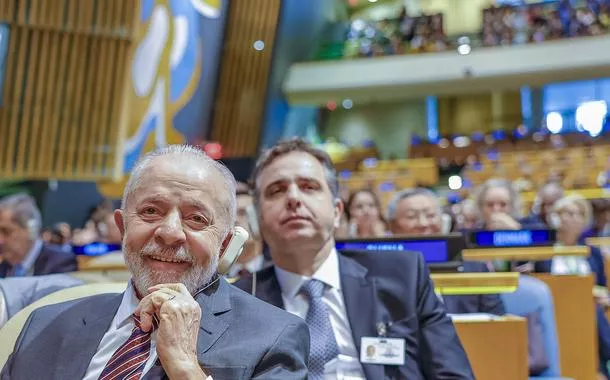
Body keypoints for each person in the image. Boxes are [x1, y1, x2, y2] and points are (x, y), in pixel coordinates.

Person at [2, 145, 309, 379]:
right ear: (123, 228)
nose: (170, 233)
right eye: (150, 211)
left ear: (225, 243)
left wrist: (187, 369)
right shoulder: (44, 323)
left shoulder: (274, 338)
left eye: (197, 218)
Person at [235, 138, 474, 380]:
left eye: (309, 187)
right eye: (277, 190)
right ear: (257, 220)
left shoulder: (403, 276)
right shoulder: (238, 302)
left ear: (337, 212)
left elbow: (453, 375)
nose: (293, 198)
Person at [386, 188, 505, 316]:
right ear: (393, 226)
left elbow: (498, 322)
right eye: (411, 216)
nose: (423, 223)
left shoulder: (476, 269)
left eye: (430, 215)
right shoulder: (384, 274)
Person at [0, 194, 77, 277]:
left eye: (6, 231)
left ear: (31, 229)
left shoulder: (61, 263)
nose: (1, 240)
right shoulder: (4, 266)